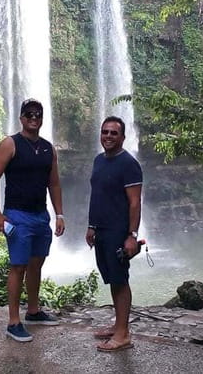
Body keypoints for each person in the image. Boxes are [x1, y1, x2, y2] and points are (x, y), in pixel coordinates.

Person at [0, 98, 66, 342]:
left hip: (40, 216)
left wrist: (59, 214)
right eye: (29, 114)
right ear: (21, 118)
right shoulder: (10, 144)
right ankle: (13, 321)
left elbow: (53, 182)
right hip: (17, 216)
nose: (34, 118)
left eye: (38, 115)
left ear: (42, 119)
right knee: (18, 266)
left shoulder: (47, 148)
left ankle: (33, 311)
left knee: (36, 265)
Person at [85, 116, 142, 352]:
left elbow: (135, 202)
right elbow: (97, 196)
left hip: (119, 231)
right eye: (105, 132)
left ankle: (122, 335)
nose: (108, 136)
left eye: (113, 133)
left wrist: (132, 235)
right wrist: (91, 226)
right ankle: (119, 325)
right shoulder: (99, 160)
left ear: (123, 137)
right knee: (111, 277)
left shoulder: (129, 164)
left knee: (120, 280)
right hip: (102, 230)